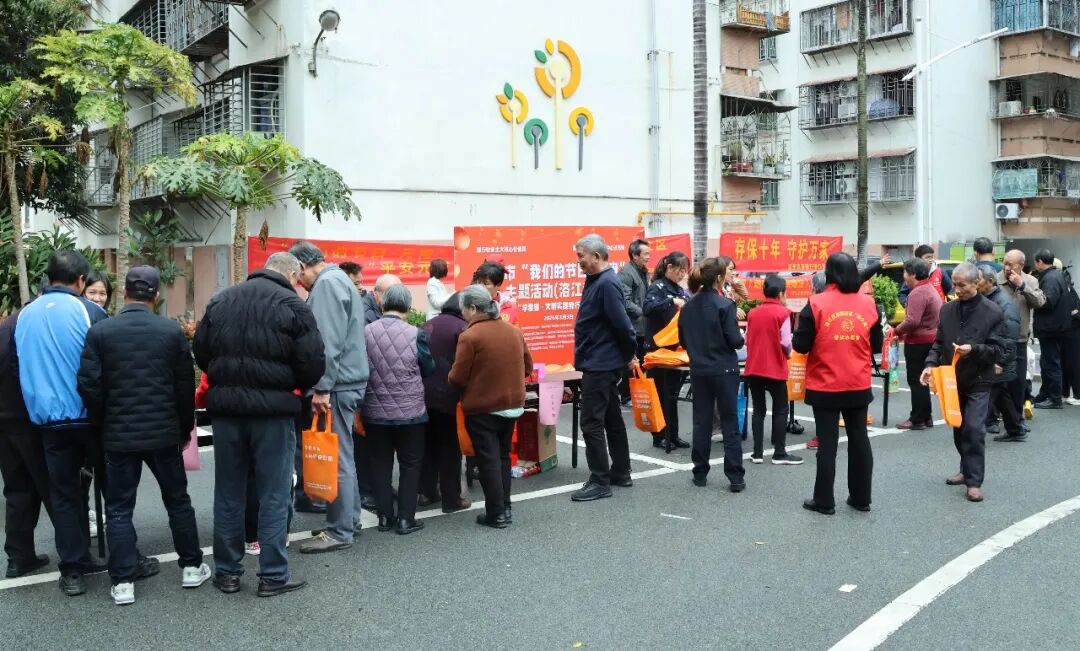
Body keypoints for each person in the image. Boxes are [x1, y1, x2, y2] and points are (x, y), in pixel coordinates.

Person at [194, 252, 325, 597]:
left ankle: (227, 573)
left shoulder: (221, 300)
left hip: (226, 412)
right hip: (274, 412)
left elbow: (201, 351)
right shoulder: (295, 306)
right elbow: (312, 364)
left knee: (228, 491)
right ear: (293, 275)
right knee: (274, 493)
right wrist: (285, 383)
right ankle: (273, 575)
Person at [76, 266, 209, 605]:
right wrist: (184, 429)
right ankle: (192, 567)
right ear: (155, 295)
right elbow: (184, 389)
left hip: (118, 435)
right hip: (164, 433)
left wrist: (103, 422)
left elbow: (88, 385)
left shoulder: (101, 332)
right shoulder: (170, 332)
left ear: (123, 293)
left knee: (119, 508)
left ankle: (122, 583)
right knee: (178, 500)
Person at [15, 250, 108, 596]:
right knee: (114, 489)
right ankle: (126, 561)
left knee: (65, 496)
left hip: (47, 422)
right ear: (82, 281)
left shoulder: (26, 314)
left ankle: (72, 568)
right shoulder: (90, 311)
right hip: (89, 418)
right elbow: (106, 363)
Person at [288, 242, 369, 554]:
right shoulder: (340, 280)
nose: (299, 282)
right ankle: (349, 520)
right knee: (343, 453)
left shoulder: (327, 285)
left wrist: (321, 387)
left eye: (298, 276)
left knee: (338, 457)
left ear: (305, 267)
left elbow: (327, 341)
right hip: (346, 380)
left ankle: (339, 530)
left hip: (337, 384)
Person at [794, 253, 882, 515]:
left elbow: (801, 344)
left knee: (827, 444)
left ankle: (824, 501)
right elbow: (876, 346)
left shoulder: (816, 303)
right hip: (858, 382)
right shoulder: (869, 304)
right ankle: (861, 498)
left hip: (825, 384)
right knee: (859, 440)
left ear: (828, 273)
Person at [921, 263, 1007, 503]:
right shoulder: (947, 310)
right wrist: (929, 365)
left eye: (963, 285)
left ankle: (974, 481)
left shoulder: (993, 311)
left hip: (980, 379)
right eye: (955, 284)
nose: (957, 289)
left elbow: (999, 350)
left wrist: (974, 350)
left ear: (977, 283)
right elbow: (939, 343)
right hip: (952, 379)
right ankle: (966, 468)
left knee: (974, 428)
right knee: (958, 426)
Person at [449, 285, 533, 528]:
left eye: (464, 308)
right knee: (503, 456)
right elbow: (528, 367)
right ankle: (505, 507)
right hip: (513, 404)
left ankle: (495, 513)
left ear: (473, 308)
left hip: (483, 407)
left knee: (488, 460)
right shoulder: (513, 331)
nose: (462, 313)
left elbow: (457, 377)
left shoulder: (470, 336)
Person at [361, 284, 435, 535]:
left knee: (379, 464)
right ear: (407, 306)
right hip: (410, 413)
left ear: (383, 304)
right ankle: (406, 519)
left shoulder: (366, 332)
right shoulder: (417, 334)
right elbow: (429, 368)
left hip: (374, 412)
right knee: (410, 464)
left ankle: (384, 517)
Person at [570, 234, 637, 502]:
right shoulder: (598, 280)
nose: (579, 262)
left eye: (581, 256)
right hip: (601, 361)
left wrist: (627, 355)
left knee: (591, 422)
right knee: (611, 418)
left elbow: (623, 326)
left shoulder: (608, 283)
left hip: (602, 364)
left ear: (596, 257)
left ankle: (600, 479)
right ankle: (620, 471)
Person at [680, 257, 747, 490]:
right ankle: (735, 477)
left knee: (702, 422)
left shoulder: (688, 306)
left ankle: (700, 472)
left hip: (699, 369)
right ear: (719, 278)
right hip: (725, 369)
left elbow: (682, 340)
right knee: (730, 422)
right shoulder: (725, 305)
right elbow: (736, 341)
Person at [0, 309, 53, 579]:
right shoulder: (30, 326)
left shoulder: (6, 326)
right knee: (55, 487)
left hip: (5, 422)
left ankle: (19, 558)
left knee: (17, 490)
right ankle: (75, 556)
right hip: (30, 420)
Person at [354, 273, 402, 514]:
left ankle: (379, 486)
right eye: (388, 293)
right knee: (363, 443)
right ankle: (365, 490)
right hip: (366, 387)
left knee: (377, 445)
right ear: (376, 293)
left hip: (380, 388)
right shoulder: (365, 314)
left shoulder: (379, 311)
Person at [418, 292, 471, 513]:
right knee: (450, 449)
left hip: (422, 396)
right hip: (450, 397)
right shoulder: (464, 329)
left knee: (427, 446)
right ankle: (452, 499)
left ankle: (426, 492)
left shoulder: (426, 325)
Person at [744, 274, 802, 465]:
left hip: (754, 368)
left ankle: (757, 453)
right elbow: (786, 341)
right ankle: (779, 452)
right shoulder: (783, 313)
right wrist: (787, 354)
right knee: (780, 409)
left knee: (759, 410)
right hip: (775, 367)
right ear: (780, 293)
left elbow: (747, 340)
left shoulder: (753, 312)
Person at [642, 251, 691, 452]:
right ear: (669, 268)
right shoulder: (658, 287)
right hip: (658, 351)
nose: (682, 274)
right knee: (661, 395)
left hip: (675, 351)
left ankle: (673, 434)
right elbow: (648, 308)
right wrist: (670, 302)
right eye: (679, 270)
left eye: (685, 271)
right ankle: (660, 436)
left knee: (672, 393)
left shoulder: (680, 290)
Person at [975, 266, 1024, 442]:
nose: (975, 282)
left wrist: (1001, 362)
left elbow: (1011, 336)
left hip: (998, 359)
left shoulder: (1003, 303)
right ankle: (1016, 429)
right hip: (991, 356)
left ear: (990, 282)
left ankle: (973, 433)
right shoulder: (987, 299)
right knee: (1001, 396)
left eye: (978, 279)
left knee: (985, 396)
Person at [894, 258, 943, 430]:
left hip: (919, 342)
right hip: (930, 341)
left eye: (905, 272)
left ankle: (917, 419)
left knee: (916, 381)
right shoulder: (928, 288)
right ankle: (926, 417)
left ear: (913, 274)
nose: (904, 276)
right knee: (922, 380)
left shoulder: (918, 292)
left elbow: (912, 321)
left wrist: (896, 331)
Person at [998, 250, 1045, 426]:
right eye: (1005, 263)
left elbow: (1040, 302)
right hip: (998, 339)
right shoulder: (995, 279)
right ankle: (994, 418)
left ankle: (1017, 419)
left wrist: (1023, 286)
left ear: (1021, 265)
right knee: (997, 382)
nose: (1006, 267)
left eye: (1011, 264)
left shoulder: (1031, 280)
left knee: (1018, 382)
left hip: (1020, 339)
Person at [1031, 249, 1072, 409]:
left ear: (1040, 262)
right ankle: (1046, 393)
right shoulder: (1055, 275)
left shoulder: (1050, 278)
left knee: (1052, 363)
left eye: (1036, 262)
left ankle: (1055, 398)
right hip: (1054, 327)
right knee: (1047, 362)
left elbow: (1047, 302)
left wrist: (1032, 296)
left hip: (1051, 328)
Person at [618, 238, 650, 404]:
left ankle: (632, 392)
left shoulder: (643, 271)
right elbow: (624, 300)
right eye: (645, 254)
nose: (648, 257)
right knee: (631, 361)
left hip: (643, 326)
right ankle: (626, 394)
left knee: (641, 360)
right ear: (635, 255)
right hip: (632, 325)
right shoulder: (626, 273)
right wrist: (643, 312)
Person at [473, 261, 519, 326]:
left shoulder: (510, 307)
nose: (481, 287)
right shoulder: (471, 305)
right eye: (479, 282)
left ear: (498, 285)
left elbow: (515, 334)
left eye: (486, 284)